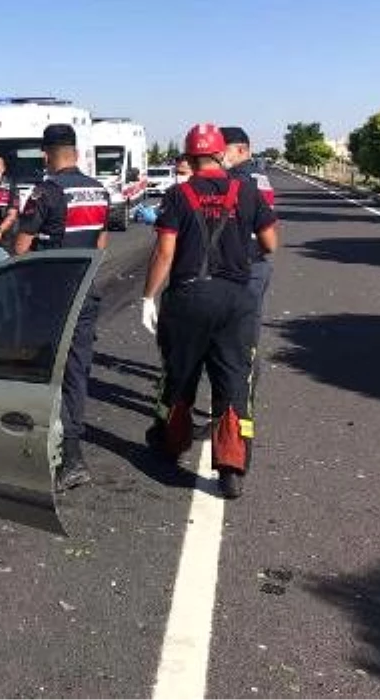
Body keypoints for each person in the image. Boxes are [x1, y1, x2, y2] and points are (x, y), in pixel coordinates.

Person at [141, 123, 278, 499]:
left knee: (179, 376)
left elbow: (165, 252)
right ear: (220, 153)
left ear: (188, 156)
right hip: (236, 299)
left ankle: (170, 444)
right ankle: (231, 466)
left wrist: (148, 296)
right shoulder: (246, 190)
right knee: (234, 379)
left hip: (188, 297)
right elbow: (270, 242)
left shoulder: (178, 194)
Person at [14, 124, 110, 491]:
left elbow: (21, 249)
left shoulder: (46, 191)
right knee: (76, 372)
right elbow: (101, 242)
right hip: (84, 290)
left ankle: (61, 455)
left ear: (46, 154)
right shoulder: (98, 190)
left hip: (50, 295)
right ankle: (71, 453)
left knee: (46, 371)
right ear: (75, 150)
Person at [220, 126, 277, 416]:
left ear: (242, 150)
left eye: (224, 149)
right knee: (247, 335)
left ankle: (236, 408)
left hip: (241, 266)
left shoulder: (235, 181)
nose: (219, 155)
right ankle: (242, 398)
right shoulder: (261, 179)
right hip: (257, 263)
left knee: (236, 339)